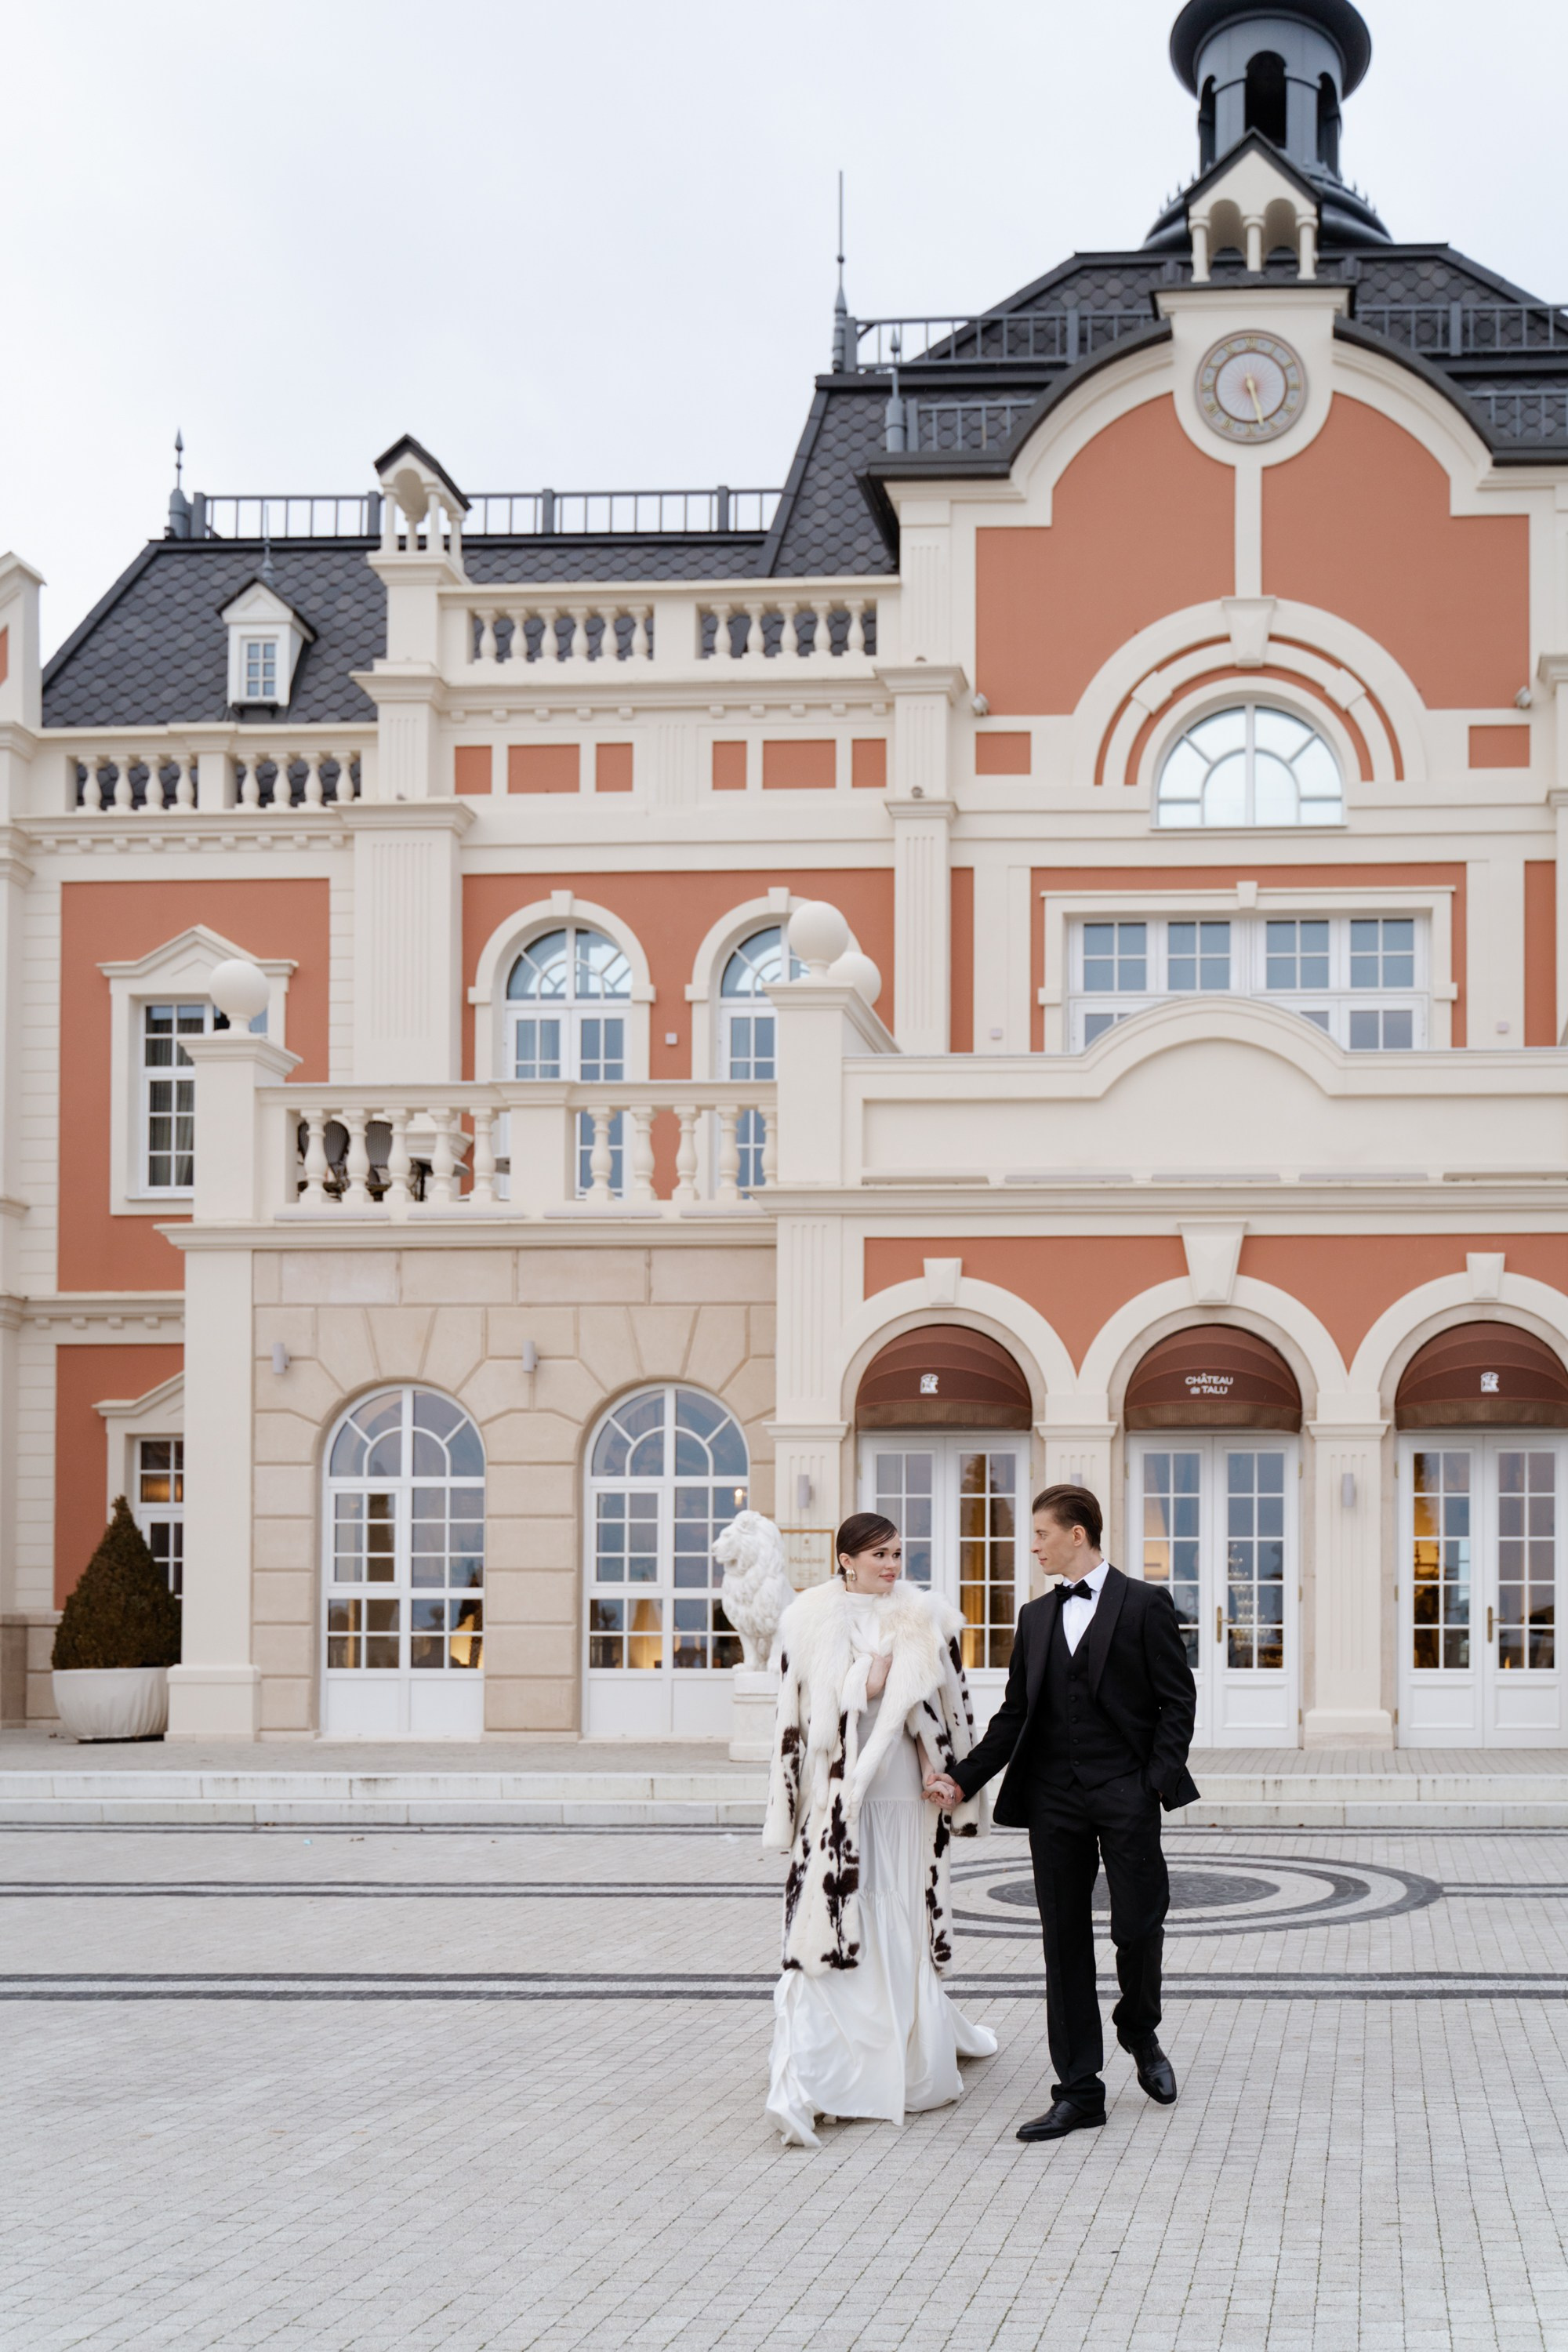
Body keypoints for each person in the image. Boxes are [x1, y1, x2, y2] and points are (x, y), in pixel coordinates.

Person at [923, 1483, 1198, 2142]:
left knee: (1137, 1924)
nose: (1033, 1546)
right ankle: (1080, 2090)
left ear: (1078, 1534)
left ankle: (1139, 2027)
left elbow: (1177, 1703)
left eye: (1041, 1534)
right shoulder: (1036, 1618)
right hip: (1054, 1797)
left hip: (1125, 1792)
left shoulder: (1145, 1604)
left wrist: (1151, 1783)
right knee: (1063, 1941)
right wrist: (963, 1779)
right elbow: (1016, 1714)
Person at [760, 1512, 998, 2148]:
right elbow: (798, 1725)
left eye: (897, 1553)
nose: (892, 1565)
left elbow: (942, 1712)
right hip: (841, 1803)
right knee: (831, 1923)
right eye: (879, 1555)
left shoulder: (924, 1616)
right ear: (846, 1559)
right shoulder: (808, 1620)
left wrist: (940, 1774)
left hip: (904, 1801)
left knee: (902, 1914)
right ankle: (811, 2079)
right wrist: (858, 1687)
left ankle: (909, 2058)